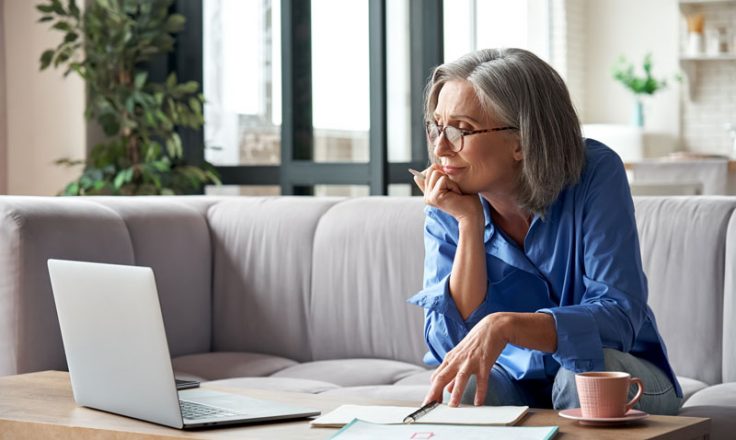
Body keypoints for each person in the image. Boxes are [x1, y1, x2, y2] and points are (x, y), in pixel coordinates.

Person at [407, 48, 682, 415]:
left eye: (461, 130)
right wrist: (469, 225)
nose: (440, 148)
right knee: (464, 385)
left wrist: (507, 326)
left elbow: (619, 316)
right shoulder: (450, 199)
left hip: (620, 374)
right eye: (436, 126)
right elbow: (450, 346)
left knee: (580, 377)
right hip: (514, 382)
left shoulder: (595, 173)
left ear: (522, 140)